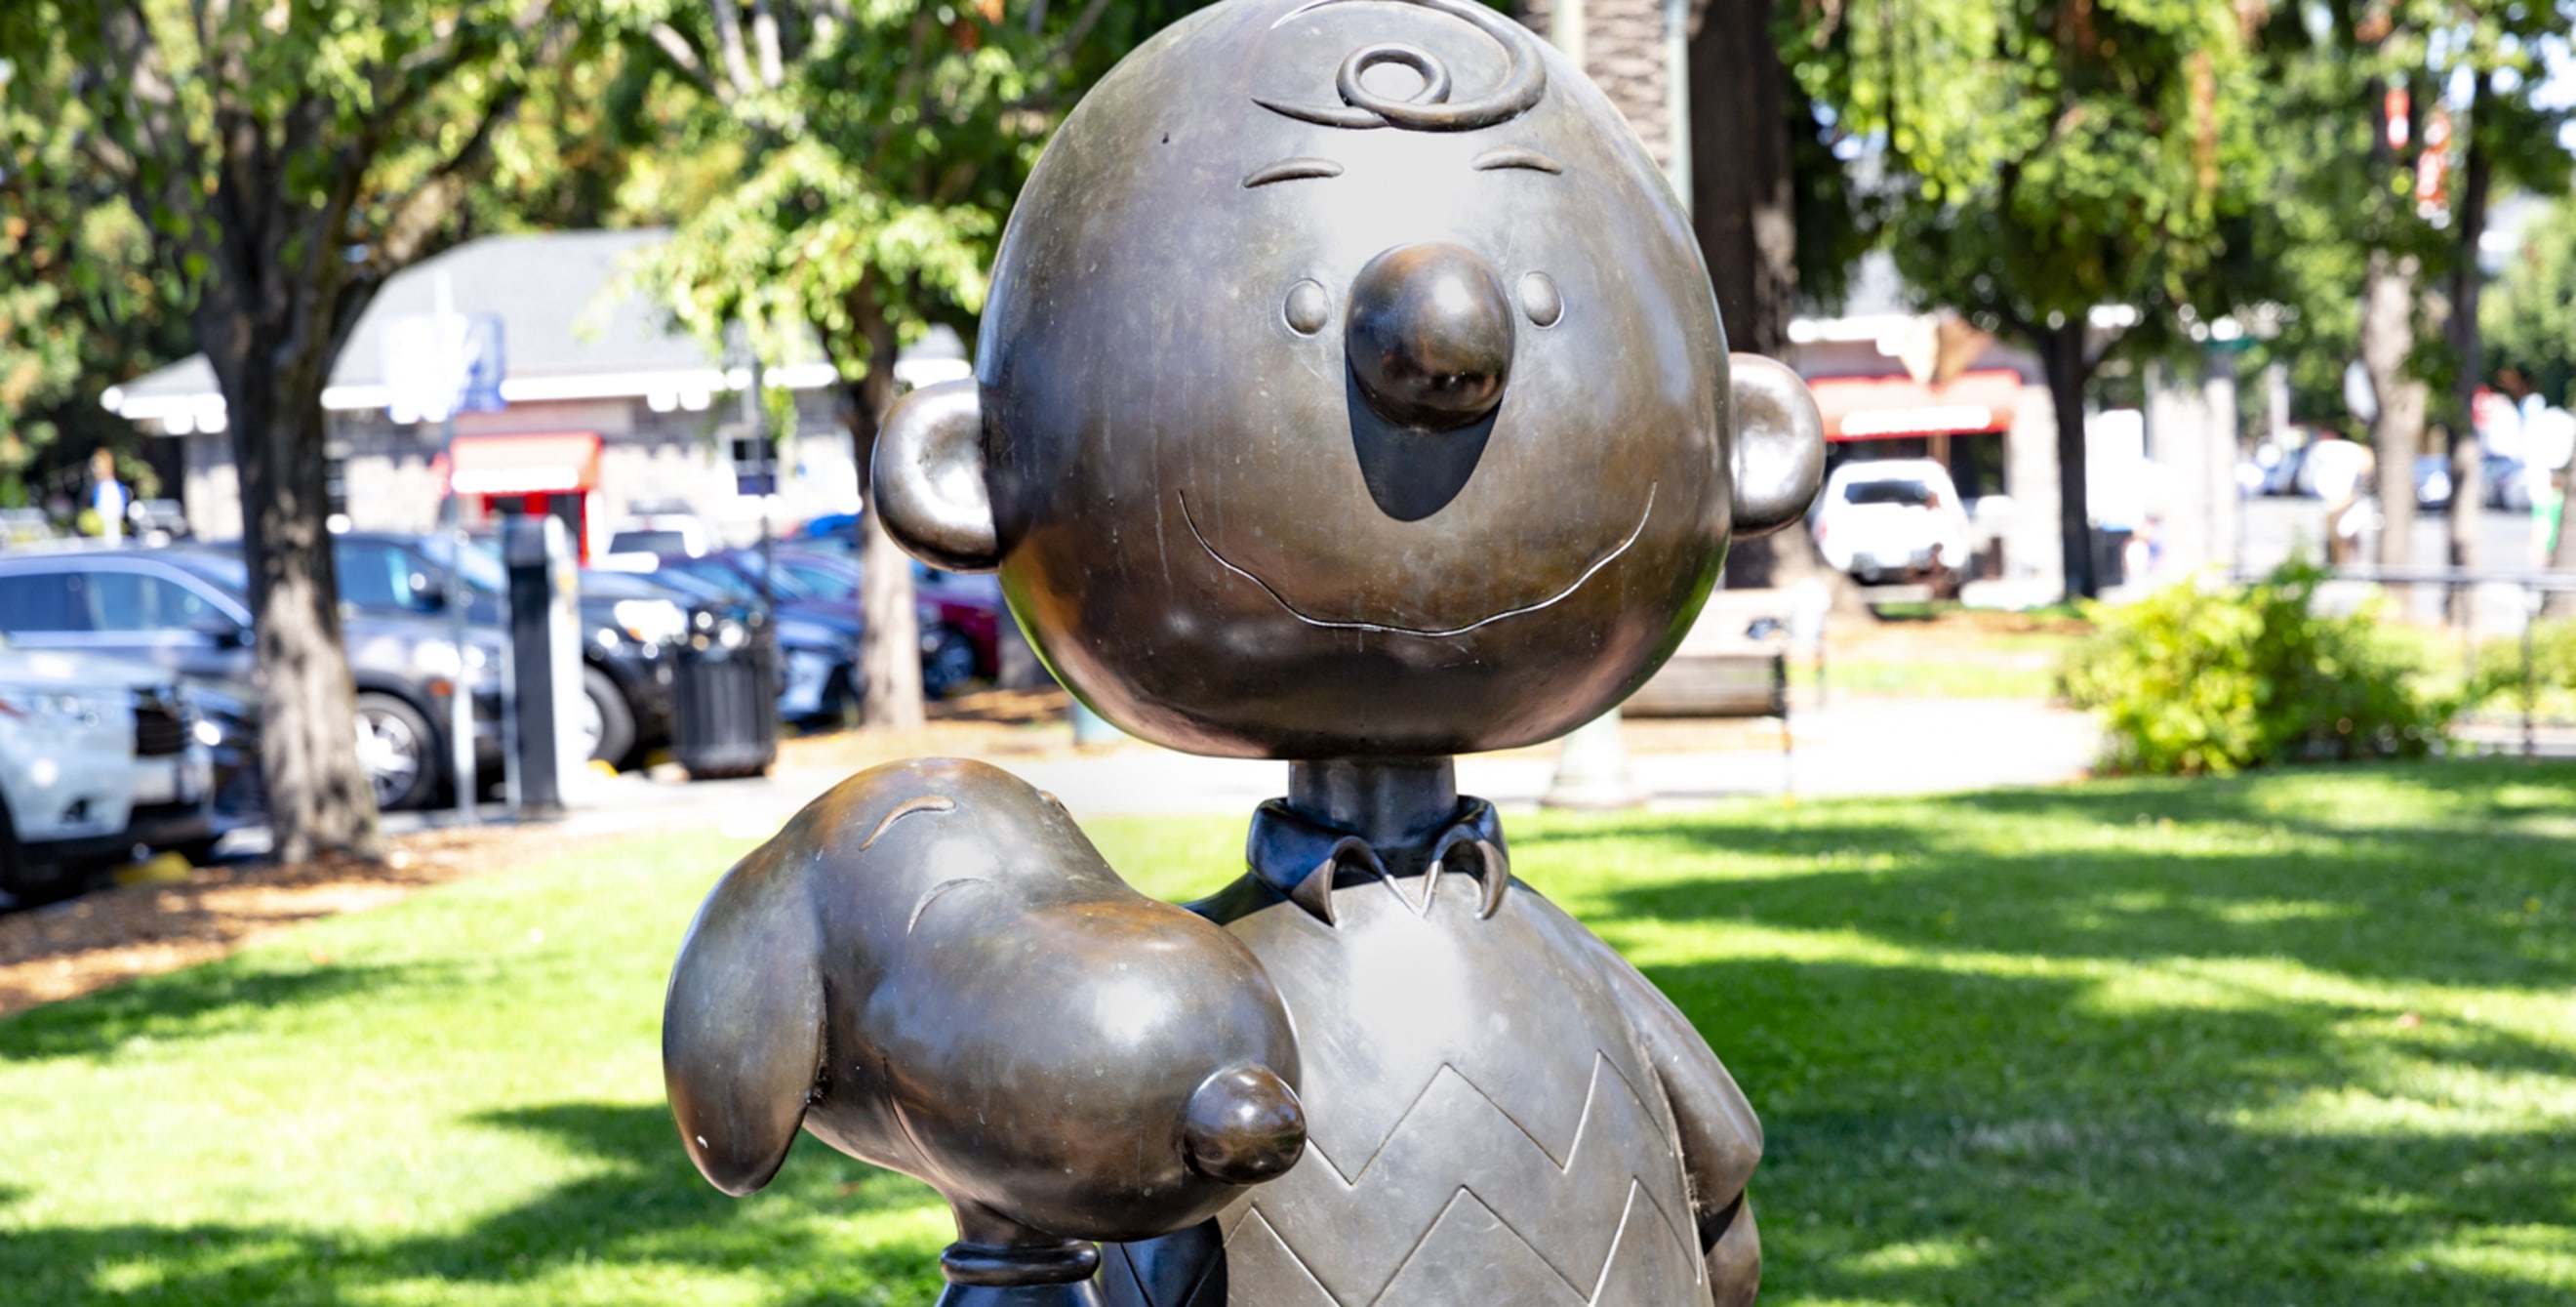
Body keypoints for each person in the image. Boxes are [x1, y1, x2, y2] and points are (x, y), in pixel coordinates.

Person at [83, 448, 129, 544]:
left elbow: (120, 502)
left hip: (114, 519)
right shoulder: (96, 487)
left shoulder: (114, 485)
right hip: (100, 522)